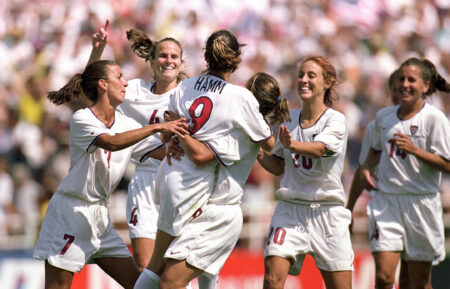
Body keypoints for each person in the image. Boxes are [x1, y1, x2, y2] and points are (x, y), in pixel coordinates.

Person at [134, 30, 276, 289]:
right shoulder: (239, 98)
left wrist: (177, 136)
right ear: (236, 58)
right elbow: (268, 143)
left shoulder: (184, 86)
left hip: (166, 175)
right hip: (194, 189)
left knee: (157, 267)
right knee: (172, 279)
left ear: (206, 56)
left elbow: (168, 127)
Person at [32, 59, 189, 289]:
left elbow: (155, 151)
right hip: (71, 215)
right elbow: (112, 143)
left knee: (140, 285)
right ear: (103, 84)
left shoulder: (125, 122)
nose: (126, 83)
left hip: (100, 218)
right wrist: (156, 127)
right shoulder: (82, 119)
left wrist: (175, 148)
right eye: (120, 76)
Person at [155, 72, 291, 289]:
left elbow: (201, 156)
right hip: (207, 207)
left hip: (218, 213)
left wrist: (179, 131)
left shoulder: (241, 134)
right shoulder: (248, 133)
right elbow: (276, 166)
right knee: (204, 282)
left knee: (169, 281)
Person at [88, 20, 188, 272]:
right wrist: (97, 52)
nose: (168, 60)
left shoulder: (189, 96)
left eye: (174, 56)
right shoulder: (134, 90)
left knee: (175, 269)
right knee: (145, 266)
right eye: (163, 56)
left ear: (181, 63)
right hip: (144, 181)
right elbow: (93, 89)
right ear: (151, 62)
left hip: (179, 180)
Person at [257, 55, 353, 289]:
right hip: (290, 209)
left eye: (311, 75)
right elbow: (279, 165)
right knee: (271, 279)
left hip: (328, 213)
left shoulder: (336, 120)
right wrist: (257, 152)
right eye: (301, 75)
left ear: (328, 81)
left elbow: (321, 149)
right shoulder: (287, 120)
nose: (304, 80)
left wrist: (292, 146)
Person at [360, 57, 450, 289]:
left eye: (412, 80)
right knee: (384, 277)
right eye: (401, 79)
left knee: (418, 283)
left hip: (421, 204)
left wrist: (414, 150)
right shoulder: (384, 117)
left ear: (425, 86)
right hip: (387, 203)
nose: (405, 84)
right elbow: (375, 150)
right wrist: (366, 169)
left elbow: (447, 164)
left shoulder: (435, 119)